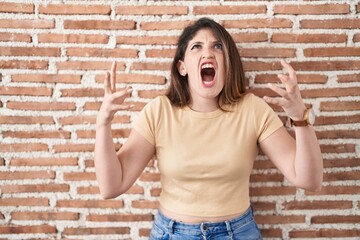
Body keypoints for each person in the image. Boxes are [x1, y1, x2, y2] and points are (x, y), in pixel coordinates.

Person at [94, 18, 323, 240]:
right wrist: (103, 122)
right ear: (182, 67)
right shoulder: (159, 111)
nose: (208, 52)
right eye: (196, 46)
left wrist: (298, 117)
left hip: (238, 233)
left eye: (217, 46)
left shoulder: (253, 109)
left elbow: (308, 179)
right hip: (172, 234)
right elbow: (111, 186)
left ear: (227, 63)